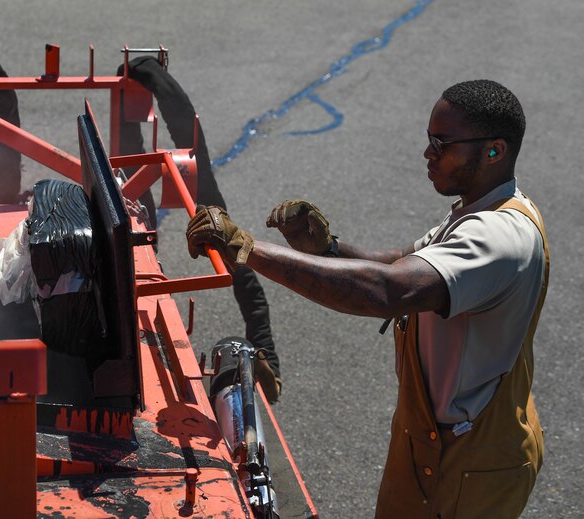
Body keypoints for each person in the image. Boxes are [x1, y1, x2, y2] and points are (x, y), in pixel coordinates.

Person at [186, 79, 548, 518]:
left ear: (494, 151)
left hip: (469, 458)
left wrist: (248, 249)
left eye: (442, 143)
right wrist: (329, 249)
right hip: (434, 437)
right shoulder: (479, 209)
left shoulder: (499, 236)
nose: (428, 153)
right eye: (428, 139)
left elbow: (390, 290)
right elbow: (404, 261)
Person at [117, 56, 281, 402]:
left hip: (142, 79)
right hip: (147, 76)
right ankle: (267, 354)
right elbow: (190, 138)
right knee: (231, 250)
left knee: (134, 209)